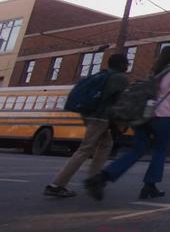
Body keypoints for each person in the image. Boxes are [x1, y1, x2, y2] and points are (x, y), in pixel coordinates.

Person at [84, 45, 170, 201]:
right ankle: (149, 185)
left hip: (142, 116)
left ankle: (102, 178)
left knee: (137, 150)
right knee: (160, 151)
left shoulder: (154, 71)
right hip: (161, 117)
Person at [44, 54, 130, 198]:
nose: (127, 67)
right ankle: (57, 185)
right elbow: (119, 102)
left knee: (105, 145)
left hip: (90, 115)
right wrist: (121, 122)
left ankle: (93, 179)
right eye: (127, 63)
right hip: (101, 118)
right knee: (85, 149)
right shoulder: (120, 78)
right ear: (122, 65)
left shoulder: (100, 75)